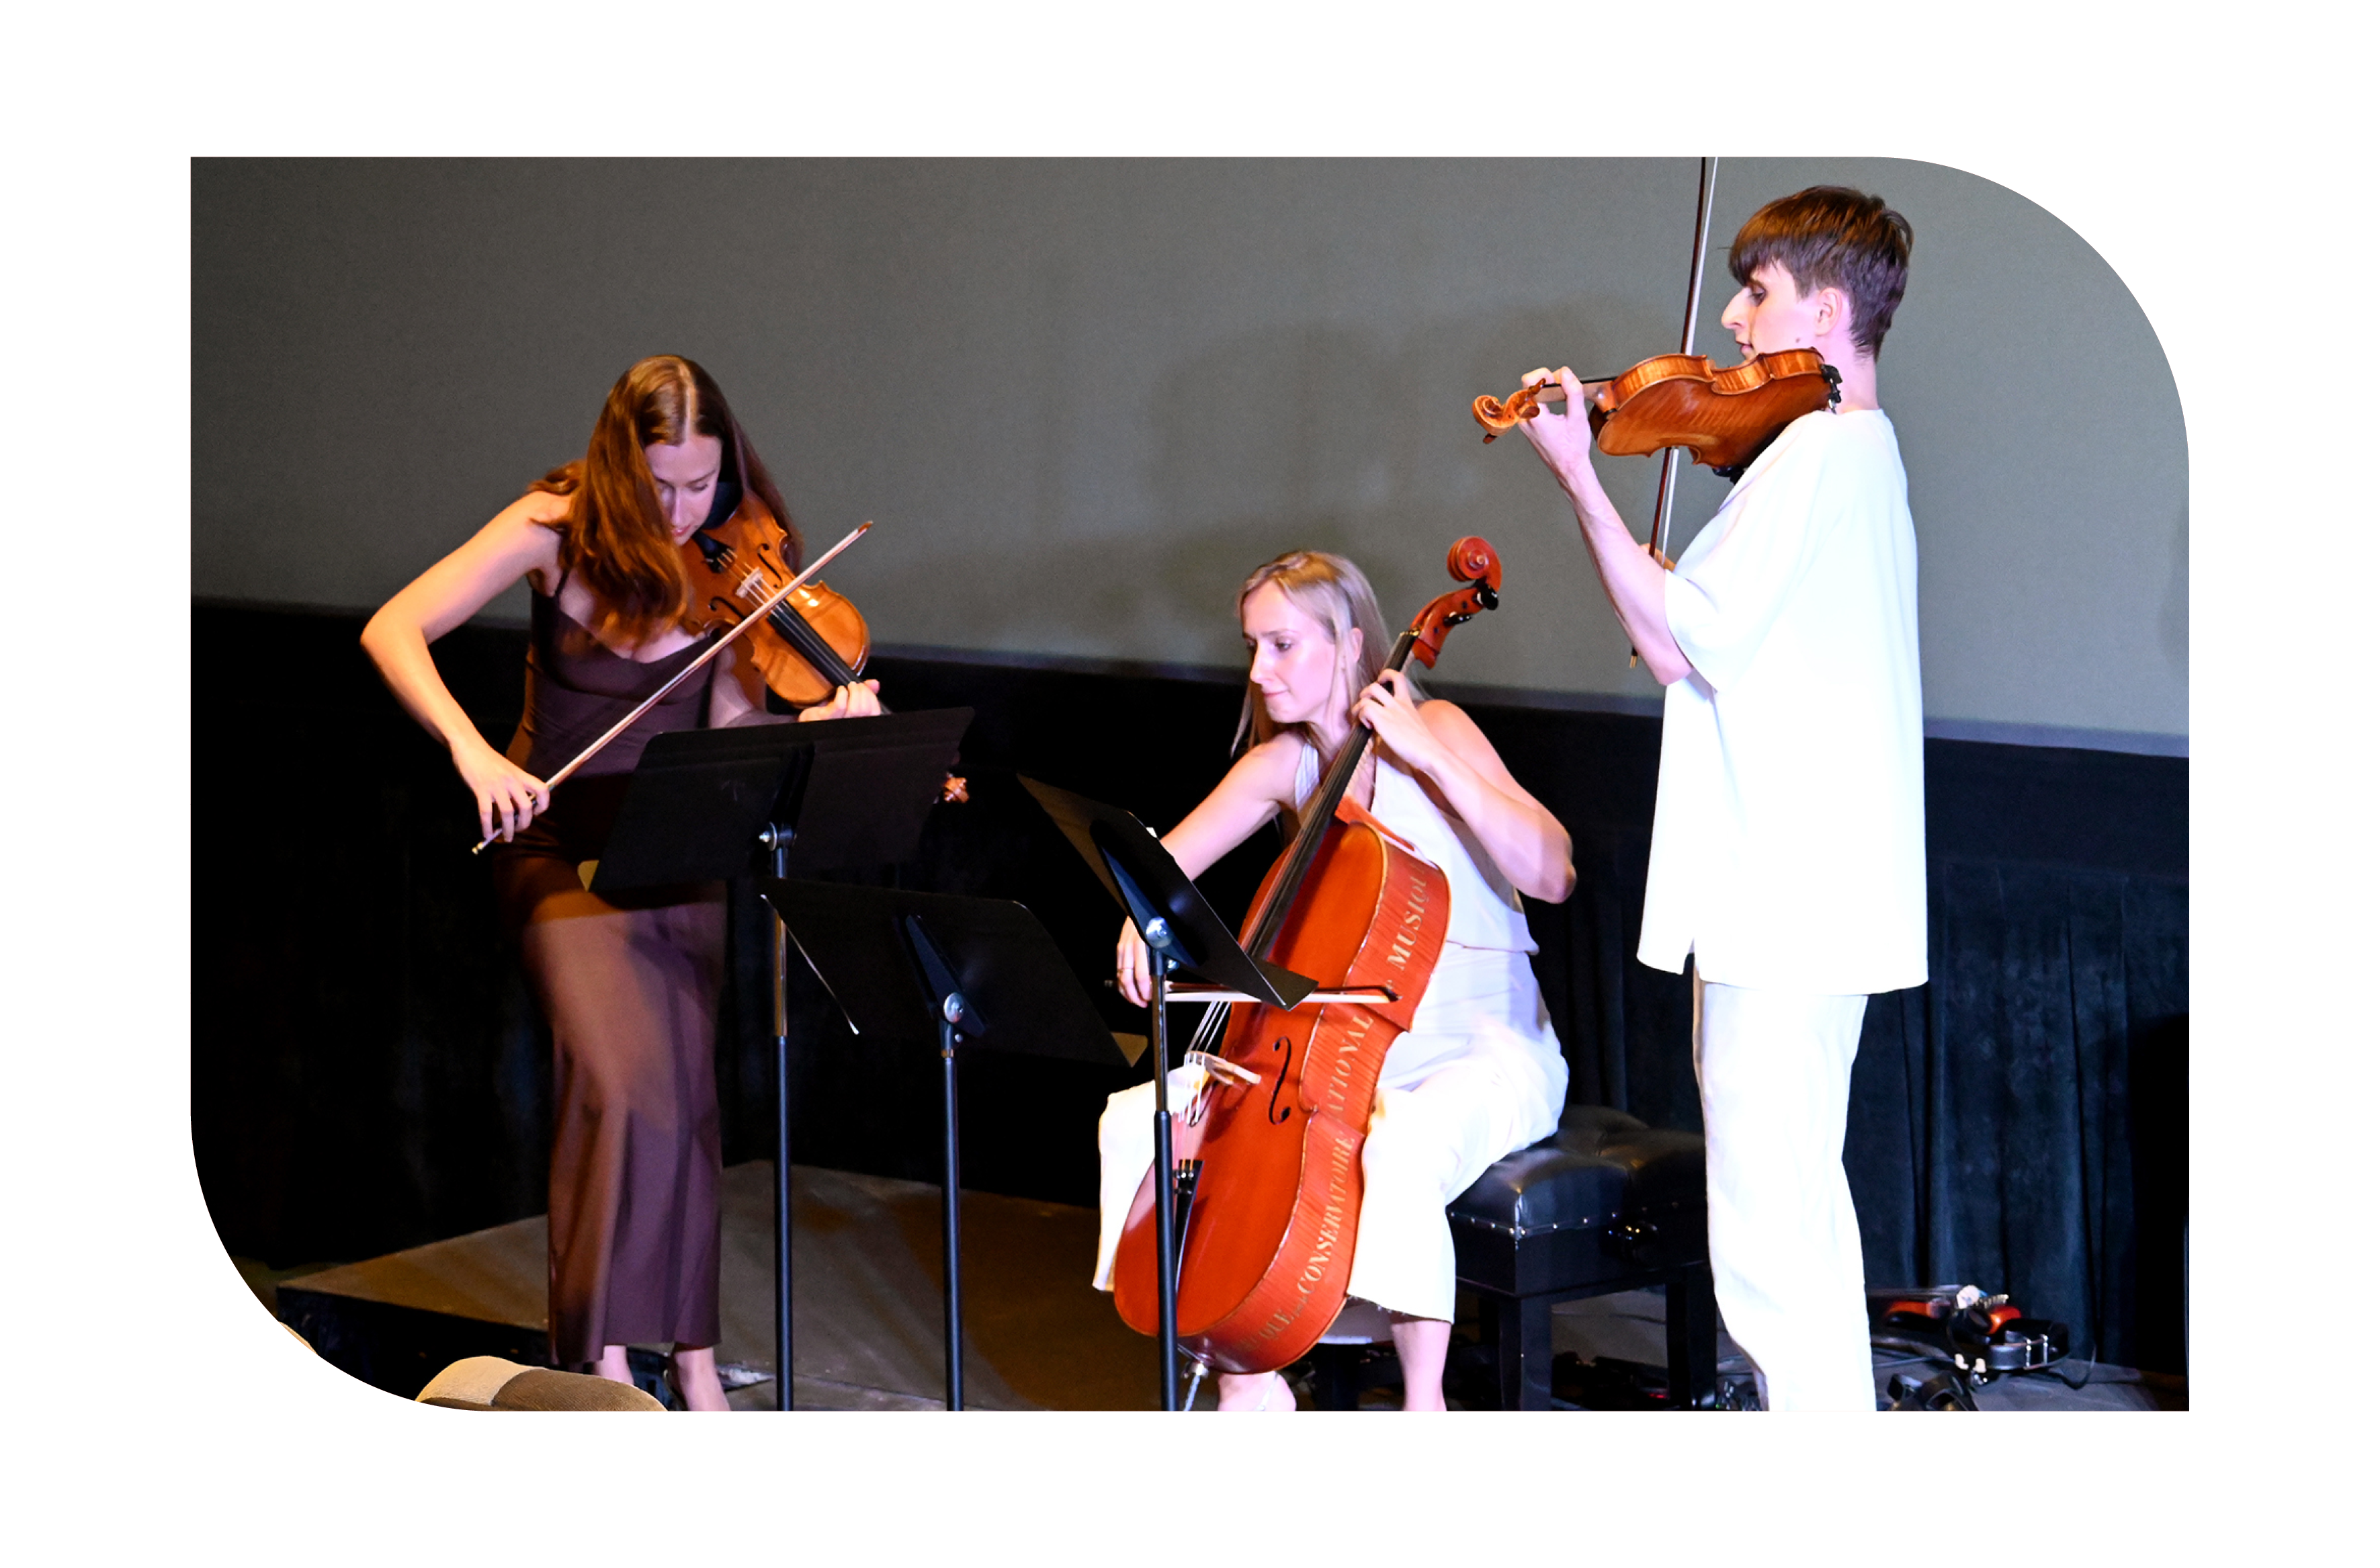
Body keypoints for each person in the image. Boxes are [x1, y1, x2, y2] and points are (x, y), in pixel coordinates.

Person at [361, 354, 880, 1409]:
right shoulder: (552, 526)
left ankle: (690, 1359)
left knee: (683, 1104)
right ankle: (597, 1359)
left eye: (702, 484)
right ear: (618, 462)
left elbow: (727, 729)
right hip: (550, 848)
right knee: (619, 1083)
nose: (685, 510)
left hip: (671, 853)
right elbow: (393, 627)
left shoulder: (736, 564)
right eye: (662, 487)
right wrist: (473, 751)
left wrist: (814, 723)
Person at [1511, 187, 1924, 1411]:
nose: (1738, 321)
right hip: (1790, 896)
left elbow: (1684, 642)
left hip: (1781, 898)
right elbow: (1673, 642)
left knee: (1767, 1239)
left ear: (1829, 308)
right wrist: (1587, 487)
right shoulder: (1833, 454)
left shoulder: (1828, 449)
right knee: (1789, 1215)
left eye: (1762, 291)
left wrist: (1583, 481)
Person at [1095, 550, 1575, 1411]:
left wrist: (1430, 754)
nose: (1257, 669)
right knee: (1139, 1119)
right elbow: (1164, 872)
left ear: (1350, 643)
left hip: (1485, 1046)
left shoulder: (1446, 734)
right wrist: (1143, 916)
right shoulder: (1283, 767)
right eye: (1251, 645)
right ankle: (1248, 1365)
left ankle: (1421, 1404)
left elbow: (1552, 872)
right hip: (1349, 1050)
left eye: (1281, 644)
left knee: (1400, 1143)